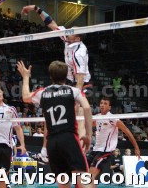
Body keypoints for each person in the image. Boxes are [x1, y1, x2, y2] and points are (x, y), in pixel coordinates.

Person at [21, 4, 91, 157]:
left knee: (77, 117)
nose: (68, 31)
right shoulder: (68, 37)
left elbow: (80, 80)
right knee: (50, 111)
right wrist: (35, 8)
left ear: (77, 38)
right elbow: (51, 23)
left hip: (81, 83)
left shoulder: (80, 53)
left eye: (71, 31)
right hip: (68, 80)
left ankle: (80, 152)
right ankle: (45, 153)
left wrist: (75, 100)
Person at [17, 60, 92, 188]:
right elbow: (86, 108)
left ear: (50, 76)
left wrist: (25, 77)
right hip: (69, 138)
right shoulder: (73, 91)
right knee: (84, 179)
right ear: (66, 75)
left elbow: (25, 96)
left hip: (52, 142)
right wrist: (88, 135)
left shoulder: (42, 92)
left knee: (62, 182)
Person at [89, 97, 140, 187]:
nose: (102, 105)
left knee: (90, 177)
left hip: (105, 152)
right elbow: (88, 124)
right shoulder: (97, 117)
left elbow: (128, 132)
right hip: (95, 150)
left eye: (105, 103)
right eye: (101, 103)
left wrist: (136, 148)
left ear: (109, 107)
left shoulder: (113, 119)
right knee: (86, 176)